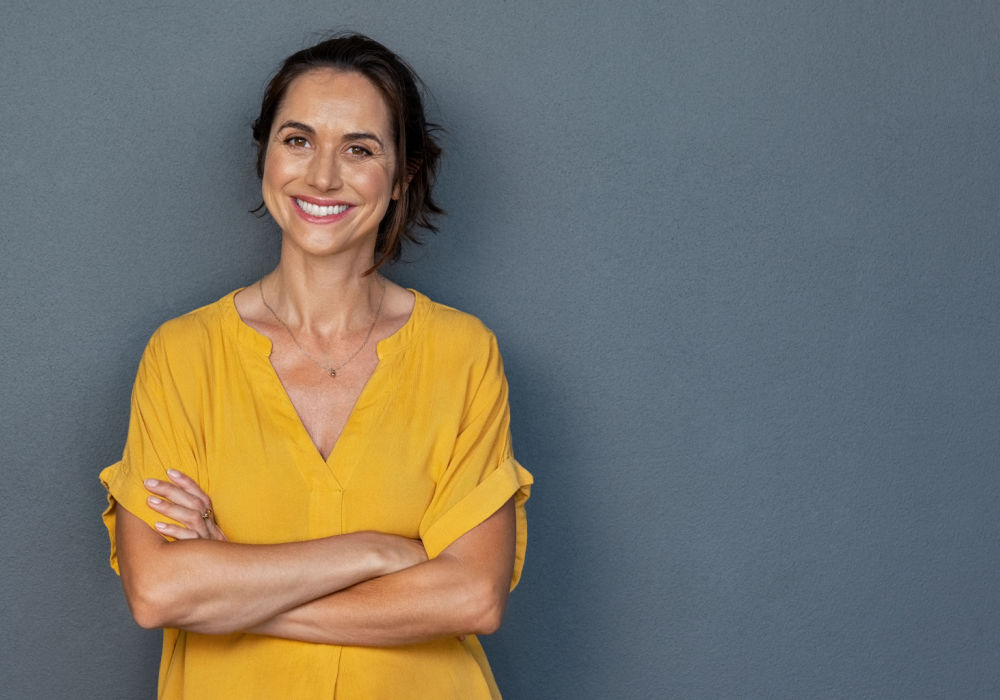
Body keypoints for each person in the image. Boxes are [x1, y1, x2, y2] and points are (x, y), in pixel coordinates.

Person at [100, 33, 532, 699]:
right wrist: (378, 551)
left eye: (359, 148)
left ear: (402, 177)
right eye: (297, 140)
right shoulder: (183, 355)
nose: (322, 175)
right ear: (265, 157)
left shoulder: (462, 354)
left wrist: (233, 584)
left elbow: (473, 596)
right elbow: (158, 592)